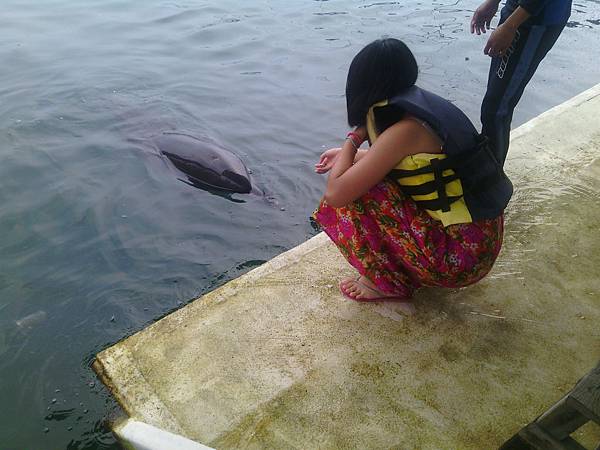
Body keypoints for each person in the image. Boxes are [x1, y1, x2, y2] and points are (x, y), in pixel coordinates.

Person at [313, 38, 512, 305]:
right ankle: (404, 268)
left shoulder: (403, 131)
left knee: (360, 194)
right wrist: (350, 156)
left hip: (459, 261)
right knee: (364, 176)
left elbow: (336, 193)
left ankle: (386, 282)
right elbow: (410, 164)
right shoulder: (420, 114)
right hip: (480, 243)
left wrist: (353, 139)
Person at [471, 0, 572, 163]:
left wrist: (511, 26)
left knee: (497, 111)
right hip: (517, 11)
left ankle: (492, 180)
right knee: (493, 104)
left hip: (535, 20)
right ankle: (486, 169)